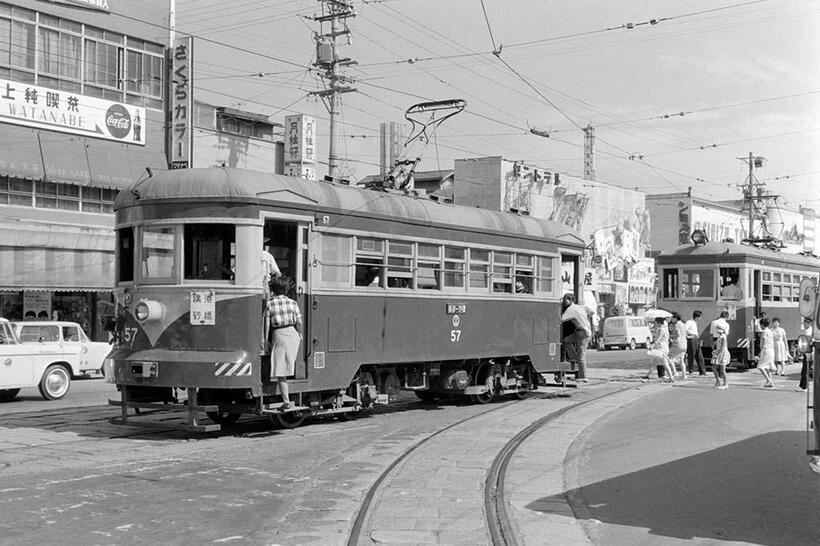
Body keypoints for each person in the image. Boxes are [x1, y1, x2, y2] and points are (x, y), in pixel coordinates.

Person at [268, 276, 303, 410]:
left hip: (279, 334)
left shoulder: (270, 304)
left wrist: (265, 341)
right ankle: (288, 397)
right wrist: (300, 334)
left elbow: (266, 325)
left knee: (280, 371)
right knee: (288, 365)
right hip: (292, 334)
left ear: (274, 290)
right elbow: (299, 322)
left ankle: (286, 401)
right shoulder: (293, 303)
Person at [561, 294, 591, 382]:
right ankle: (573, 357)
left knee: (581, 356)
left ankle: (583, 377)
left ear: (570, 300)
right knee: (567, 340)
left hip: (582, 332)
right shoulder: (580, 307)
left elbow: (561, 319)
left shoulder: (571, 309)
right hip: (581, 331)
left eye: (565, 299)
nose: (563, 301)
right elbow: (591, 311)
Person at [646, 317, 674, 382]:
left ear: (658, 322)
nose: (655, 323)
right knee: (654, 361)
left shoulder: (661, 329)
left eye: (655, 322)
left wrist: (652, 346)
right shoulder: (665, 329)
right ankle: (648, 375)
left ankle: (671, 377)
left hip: (662, 348)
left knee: (665, 363)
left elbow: (658, 339)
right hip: (663, 347)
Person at [685, 310, 706, 376]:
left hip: (696, 338)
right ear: (697, 317)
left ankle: (702, 372)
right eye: (700, 317)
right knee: (691, 355)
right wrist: (687, 337)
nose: (700, 318)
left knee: (699, 356)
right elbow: (684, 329)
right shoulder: (689, 322)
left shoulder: (694, 323)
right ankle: (691, 370)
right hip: (691, 339)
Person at [757, 317, 775, 388]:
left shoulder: (764, 332)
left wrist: (760, 352)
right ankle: (770, 380)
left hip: (766, 350)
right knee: (767, 366)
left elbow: (764, 342)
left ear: (762, 325)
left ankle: (768, 380)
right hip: (771, 350)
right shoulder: (770, 331)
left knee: (760, 366)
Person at [668, 312, 687, 379]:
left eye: (672, 318)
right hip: (684, 344)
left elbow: (677, 334)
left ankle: (675, 372)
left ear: (675, 318)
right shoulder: (683, 324)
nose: (671, 320)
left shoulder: (677, 325)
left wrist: (670, 336)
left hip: (678, 344)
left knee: (669, 358)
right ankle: (684, 374)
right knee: (682, 360)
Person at [796, 318, 813, 392]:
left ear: (809, 323)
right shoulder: (809, 330)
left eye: (806, 323)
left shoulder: (809, 332)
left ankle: (804, 387)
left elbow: (808, 343)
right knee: (807, 370)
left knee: (805, 370)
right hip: (809, 353)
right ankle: (802, 385)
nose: (804, 324)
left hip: (809, 353)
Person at [712, 323, 730, 389]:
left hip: (722, 353)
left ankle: (725, 383)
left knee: (722, 369)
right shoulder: (721, 336)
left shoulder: (723, 336)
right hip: (720, 353)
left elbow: (723, 346)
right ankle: (718, 381)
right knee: (714, 368)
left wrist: (717, 354)